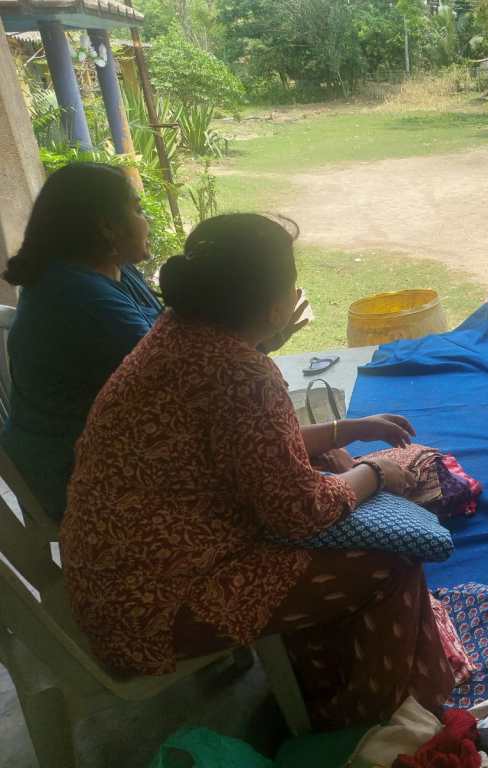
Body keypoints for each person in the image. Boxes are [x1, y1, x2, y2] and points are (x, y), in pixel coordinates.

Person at [60, 214, 454, 728]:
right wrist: (377, 474)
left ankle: (323, 680)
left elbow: (252, 447)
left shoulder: (175, 334)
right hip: (155, 610)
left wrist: (345, 430)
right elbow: (300, 512)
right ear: (275, 307)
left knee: (325, 483)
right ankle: (364, 717)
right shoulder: (240, 372)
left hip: (115, 580)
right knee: (389, 558)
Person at [1, 164, 310, 522]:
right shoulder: (81, 300)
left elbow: (190, 346)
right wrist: (259, 335)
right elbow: (189, 379)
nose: (145, 220)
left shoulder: (112, 270)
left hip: (115, 455)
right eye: (137, 209)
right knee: (276, 495)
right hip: (80, 480)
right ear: (106, 225)